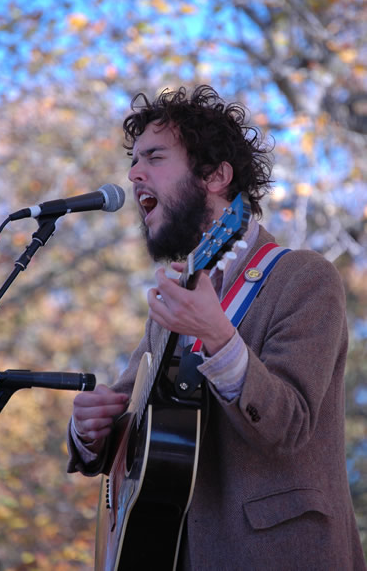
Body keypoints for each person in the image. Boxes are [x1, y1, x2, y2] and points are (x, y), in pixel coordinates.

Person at [67, 85, 366, 570]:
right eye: (133, 161)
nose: (133, 173)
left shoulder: (304, 278)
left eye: (155, 157)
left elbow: (289, 426)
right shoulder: (177, 300)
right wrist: (90, 430)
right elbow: (134, 411)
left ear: (215, 176)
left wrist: (220, 337)